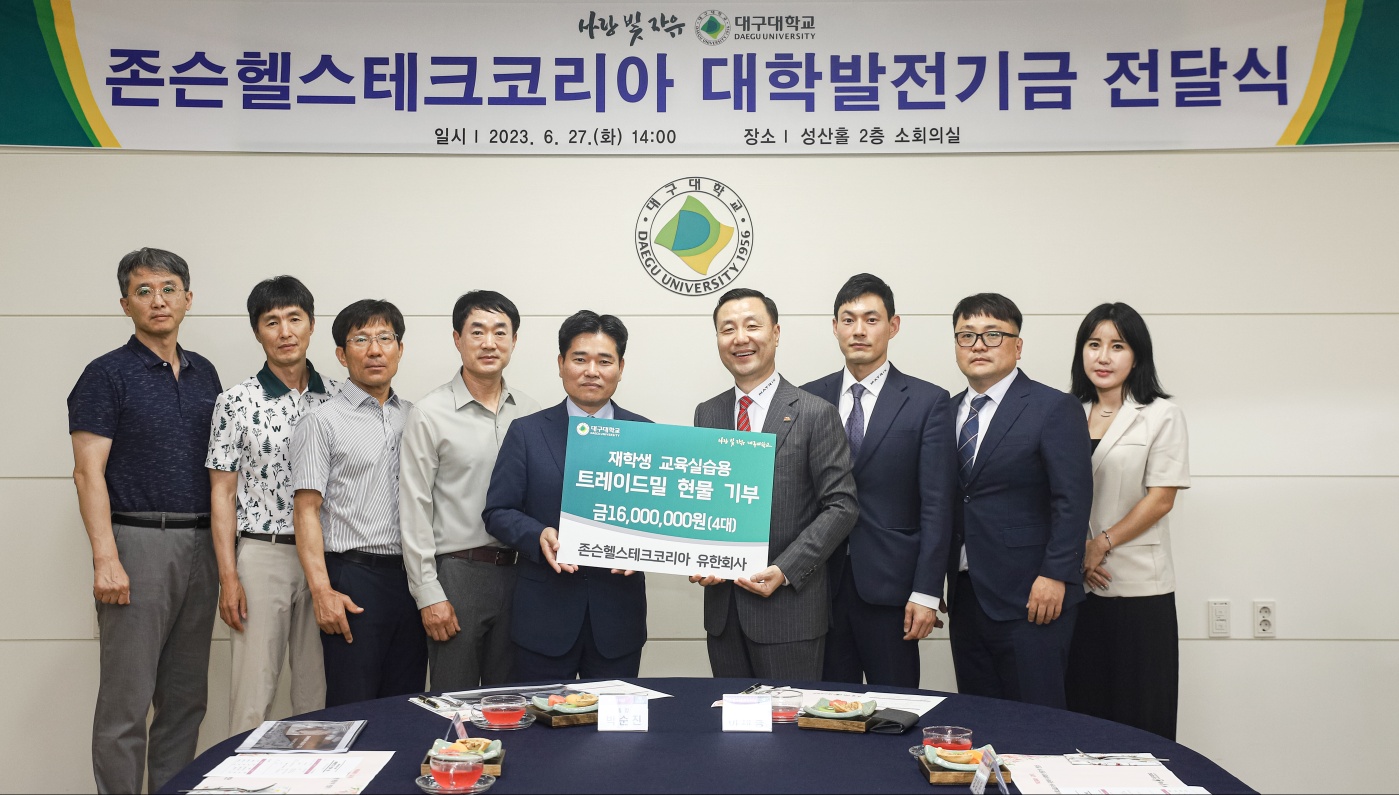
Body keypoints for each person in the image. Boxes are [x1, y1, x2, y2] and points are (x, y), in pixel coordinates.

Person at [68, 248, 223, 793]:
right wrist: (105, 559)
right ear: (125, 304)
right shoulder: (105, 374)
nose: (158, 300)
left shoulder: (205, 373)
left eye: (168, 288)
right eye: (144, 291)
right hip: (137, 545)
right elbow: (87, 473)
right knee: (126, 704)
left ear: (187, 298)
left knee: (185, 700)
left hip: (202, 547)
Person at [692, 288, 858, 679]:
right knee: (729, 715)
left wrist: (785, 569)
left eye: (752, 326)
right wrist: (698, 556)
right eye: (727, 329)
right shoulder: (707, 413)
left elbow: (842, 505)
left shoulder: (815, 413)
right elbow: (705, 501)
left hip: (789, 614)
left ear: (776, 333)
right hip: (723, 616)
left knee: (790, 719)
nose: (740, 338)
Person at [801, 274, 956, 688]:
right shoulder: (806, 399)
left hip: (893, 589)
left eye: (871, 319)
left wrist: (926, 591)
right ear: (835, 327)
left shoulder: (927, 402)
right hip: (820, 585)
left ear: (893, 325)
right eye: (848, 319)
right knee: (826, 707)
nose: (859, 330)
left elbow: (938, 505)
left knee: (896, 708)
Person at [484, 311, 651, 680]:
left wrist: (645, 545)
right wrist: (538, 534)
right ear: (561, 364)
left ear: (621, 368)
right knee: (542, 717)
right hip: (543, 617)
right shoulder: (527, 432)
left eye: (604, 361)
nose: (591, 371)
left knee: (613, 717)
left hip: (617, 620)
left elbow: (661, 516)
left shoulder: (647, 434)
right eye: (580, 359)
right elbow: (497, 511)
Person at [946, 293, 1092, 709]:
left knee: (1037, 720)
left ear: (1018, 345)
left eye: (993, 334)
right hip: (966, 595)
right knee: (981, 718)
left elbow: (1073, 498)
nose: (978, 345)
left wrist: (1056, 575)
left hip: (1033, 595)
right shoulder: (946, 412)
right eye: (967, 335)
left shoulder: (1053, 408)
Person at [207, 276, 335, 735]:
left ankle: (316, 772)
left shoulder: (338, 397)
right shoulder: (235, 402)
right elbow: (222, 494)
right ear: (257, 331)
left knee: (317, 698)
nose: (285, 332)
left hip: (328, 559)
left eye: (294, 319)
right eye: (271, 322)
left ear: (312, 325)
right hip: (264, 553)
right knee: (252, 695)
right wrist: (229, 578)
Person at [400, 291, 541, 692]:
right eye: (477, 332)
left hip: (521, 576)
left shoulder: (531, 413)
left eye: (500, 332)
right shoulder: (429, 413)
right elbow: (413, 507)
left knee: (512, 701)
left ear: (514, 340)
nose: (489, 343)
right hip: (457, 575)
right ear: (457, 339)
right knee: (454, 703)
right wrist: (428, 593)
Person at [1065, 303, 1190, 739]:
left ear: (1137, 355)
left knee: (1141, 719)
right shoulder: (1066, 411)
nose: (1103, 357)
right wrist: (1076, 555)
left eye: (1117, 346)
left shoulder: (1161, 414)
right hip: (1076, 587)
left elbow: (1161, 498)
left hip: (1138, 588)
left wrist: (1100, 544)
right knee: (1083, 716)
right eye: (1093, 344)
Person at [291, 299, 425, 706]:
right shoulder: (321, 421)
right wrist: (322, 591)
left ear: (400, 349)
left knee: (405, 705)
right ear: (341, 354)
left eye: (385, 338)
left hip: (410, 581)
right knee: (353, 706)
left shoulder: (416, 417)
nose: (375, 350)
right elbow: (306, 510)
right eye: (361, 339)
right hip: (353, 578)